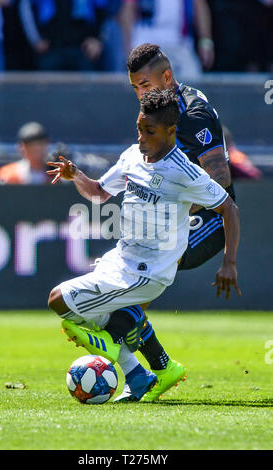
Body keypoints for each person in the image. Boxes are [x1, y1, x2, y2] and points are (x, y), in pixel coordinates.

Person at [46, 89, 241, 401]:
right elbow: (98, 192)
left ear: (170, 131)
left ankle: (112, 340)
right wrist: (76, 175)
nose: (141, 137)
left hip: (150, 271)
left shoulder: (185, 172)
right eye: (139, 128)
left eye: (149, 131)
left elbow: (228, 207)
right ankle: (144, 374)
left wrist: (228, 262)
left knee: (58, 301)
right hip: (121, 258)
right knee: (102, 315)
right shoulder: (132, 156)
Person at [110, 43, 238, 402]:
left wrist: (172, 203)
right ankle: (152, 369)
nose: (140, 94)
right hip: (179, 216)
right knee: (127, 289)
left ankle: (145, 369)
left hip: (210, 219)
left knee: (132, 284)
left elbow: (221, 178)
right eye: (135, 87)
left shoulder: (193, 114)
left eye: (146, 85)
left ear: (167, 77)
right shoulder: (162, 108)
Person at [119, 0, 215, 79]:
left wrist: (205, 42)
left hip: (180, 44)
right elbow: (128, 8)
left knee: (193, 81)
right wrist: (128, 46)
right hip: (145, 42)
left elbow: (200, 6)